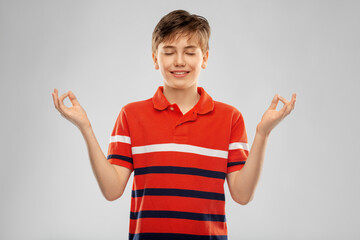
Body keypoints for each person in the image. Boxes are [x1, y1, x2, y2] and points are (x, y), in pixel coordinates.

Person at [52, 9, 296, 240]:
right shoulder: (130, 115)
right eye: (169, 52)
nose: (179, 61)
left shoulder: (230, 117)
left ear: (205, 58)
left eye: (190, 52)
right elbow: (112, 189)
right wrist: (85, 127)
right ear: (155, 58)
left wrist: (262, 133)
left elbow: (242, 195)